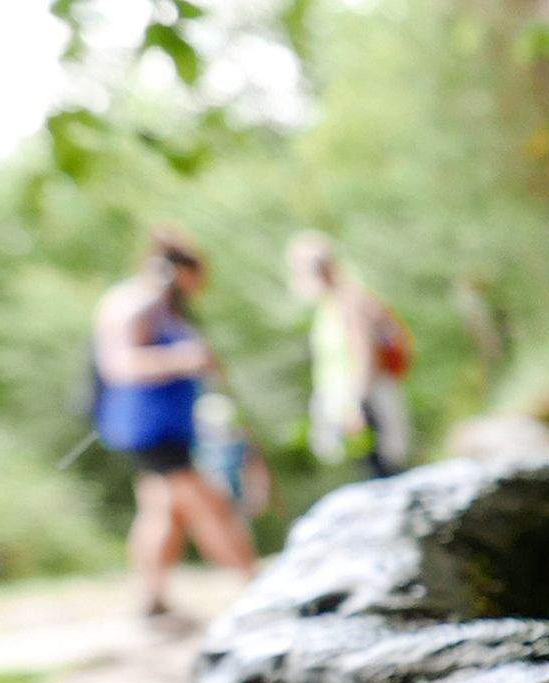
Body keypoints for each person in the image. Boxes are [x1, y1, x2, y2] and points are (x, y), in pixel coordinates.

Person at [92, 227, 258, 619]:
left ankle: (151, 597)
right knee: (210, 505)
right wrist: (185, 358)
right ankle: (254, 585)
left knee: (162, 510)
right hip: (148, 427)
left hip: (168, 425)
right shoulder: (136, 304)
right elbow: (119, 365)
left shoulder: (164, 307)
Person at [287, 231, 413, 478]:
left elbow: (364, 354)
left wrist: (356, 405)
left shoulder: (349, 302)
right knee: (374, 471)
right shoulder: (330, 306)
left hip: (365, 403)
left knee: (384, 471)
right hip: (352, 403)